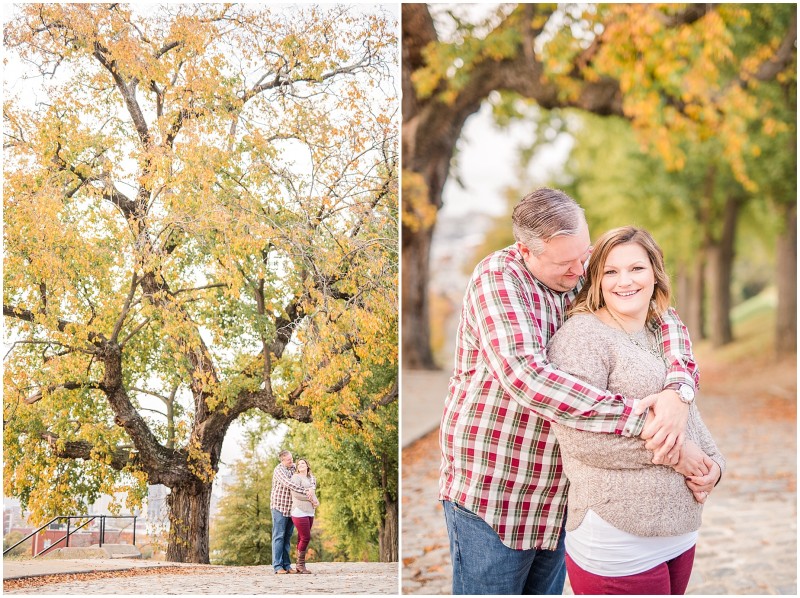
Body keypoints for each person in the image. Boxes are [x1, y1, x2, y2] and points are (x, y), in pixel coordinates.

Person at [439, 188, 718, 595]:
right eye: (565, 263)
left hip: (561, 493)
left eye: (584, 255)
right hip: (498, 487)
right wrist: (648, 422)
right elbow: (528, 378)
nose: (580, 270)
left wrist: (678, 391)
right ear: (526, 251)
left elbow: (662, 316)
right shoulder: (499, 280)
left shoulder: (578, 268)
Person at [547, 226, 725, 594]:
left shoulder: (659, 331)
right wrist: (680, 456)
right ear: (596, 279)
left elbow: (688, 416)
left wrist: (713, 465)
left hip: (679, 532)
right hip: (616, 537)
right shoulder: (582, 337)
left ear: (655, 273)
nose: (624, 281)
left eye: (636, 269)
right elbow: (581, 440)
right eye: (611, 271)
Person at [271, 450, 315, 574]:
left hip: (292, 508)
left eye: (291, 458)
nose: (292, 461)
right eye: (289, 460)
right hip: (279, 507)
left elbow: (309, 475)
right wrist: (307, 492)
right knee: (279, 536)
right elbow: (290, 484)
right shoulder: (279, 470)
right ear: (282, 461)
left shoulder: (294, 468)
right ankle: (278, 566)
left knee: (287, 537)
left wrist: (312, 487)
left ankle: (287, 565)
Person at [290, 458, 319, 574]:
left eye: (303, 463)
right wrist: (311, 498)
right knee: (306, 537)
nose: (300, 465)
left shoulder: (311, 478)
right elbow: (296, 494)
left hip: (310, 511)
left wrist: (316, 501)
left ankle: (299, 565)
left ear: (307, 465)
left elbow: (313, 493)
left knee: (301, 538)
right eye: (298, 464)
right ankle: (300, 565)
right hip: (299, 510)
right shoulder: (295, 478)